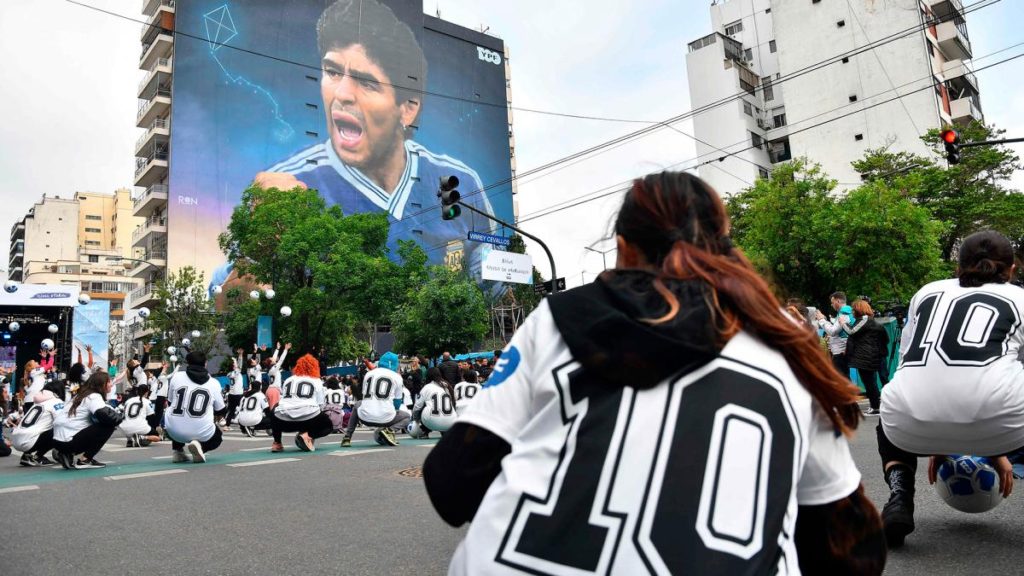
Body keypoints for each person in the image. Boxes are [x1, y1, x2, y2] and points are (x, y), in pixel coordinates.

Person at [423, 171, 885, 575]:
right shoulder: (785, 337)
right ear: (721, 244)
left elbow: (452, 483)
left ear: (623, 248)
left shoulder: (560, 318)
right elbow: (848, 547)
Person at [878, 230, 1024, 548]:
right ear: (1012, 270)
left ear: (957, 269)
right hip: (1002, 423)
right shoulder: (1020, 298)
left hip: (907, 424)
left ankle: (900, 496)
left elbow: (915, 370)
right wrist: (996, 449)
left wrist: (939, 441)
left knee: (896, 400)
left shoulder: (927, 293)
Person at [52, 372, 123, 470]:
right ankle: (85, 460)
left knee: (95, 422)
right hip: (68, 441)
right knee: (108, 426)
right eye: (109, 381)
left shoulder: (80, 395)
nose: (111, 384)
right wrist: (121, 417)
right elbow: (105, 416)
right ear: (102, 384)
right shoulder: (94, 396)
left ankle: (67, 453)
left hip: (57, 441)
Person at [165, 351, 225, 464]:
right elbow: (220, 410)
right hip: (202, 431)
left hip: (173, 431)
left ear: (188, 363)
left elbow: (170, 402)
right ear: (205, 364)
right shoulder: (214, 383)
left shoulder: (176, 377)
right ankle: (200, 447)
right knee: (218, 437)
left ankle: (177, 451)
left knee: (174, 414)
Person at [341, 351, 409, 448]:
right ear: (393, 364)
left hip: (365, 418)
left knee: (357, 404)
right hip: (386, 419)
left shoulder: (369, 374)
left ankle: (347, 437)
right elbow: (397, 404)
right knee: (407, 416)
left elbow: (365, 398)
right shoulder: (397, 377)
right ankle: (389, 431)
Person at [269, 354, 332, 452]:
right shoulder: (316, 380)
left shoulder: (288, 380)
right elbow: (320, 405)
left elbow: (284, 399)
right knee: (328, 426)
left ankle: (277, 442)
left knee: (276, 408)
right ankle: (308, 435)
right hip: (307, 417)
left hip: (283, 420)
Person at [843, 300, 889, 416]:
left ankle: (875, 407)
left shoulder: (864, 320)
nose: (852, 312)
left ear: (859, 309)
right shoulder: (875, 323)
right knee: (876, 381)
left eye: (853, 309)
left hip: (865, 356)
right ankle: (881, 405)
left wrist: (843, 323)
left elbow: (851, 332)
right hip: (876, 355)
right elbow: (886, 339)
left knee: (870, 383)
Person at [9, 379, 64, 467]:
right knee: (58, 429)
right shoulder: (56, 402)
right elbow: (61, 422)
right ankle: (38, 456)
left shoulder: (37, 403)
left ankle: (27, 456)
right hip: (29, 440)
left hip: (17, 439)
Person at [815, 292, 854, 378]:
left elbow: (833, 331)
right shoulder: (845, 312)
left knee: (842, 377)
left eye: (832, 302)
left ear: (838, 301)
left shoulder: (844, 313)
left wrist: (821, 320)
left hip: (840, 351)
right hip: (842, 349)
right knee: (844, 377)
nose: (831, 305)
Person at [411, 367, 457, 438]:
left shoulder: (427, 387)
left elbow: (417, 407)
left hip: (431, 422)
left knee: (424, 405)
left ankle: (425, 431)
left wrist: (415, 419)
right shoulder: (447, 386)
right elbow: (454, 402)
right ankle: (444, 431)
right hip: (450, 421)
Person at [225, 349, 246, 429]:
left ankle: (227, 425)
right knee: (242, 409)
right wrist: (240, 355)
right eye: (234, 364)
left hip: (231, 394)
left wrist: (236, 359)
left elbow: (238, 366)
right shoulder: (236, 372)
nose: (235, 365)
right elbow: (239, 365)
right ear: (234, 366)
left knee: (231, 410)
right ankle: (244, 426)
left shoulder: (229, 374)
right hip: (238, 394)